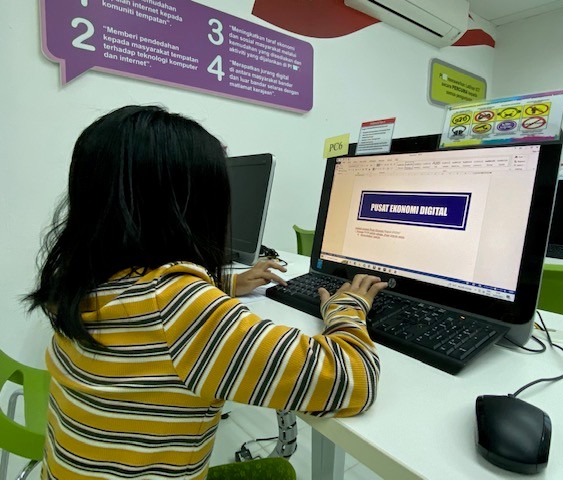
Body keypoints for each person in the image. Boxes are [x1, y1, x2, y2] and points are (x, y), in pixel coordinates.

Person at [26, 105, 387, 479]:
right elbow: (354, 380)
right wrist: (349, 305)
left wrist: (227, 285)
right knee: (280, 473)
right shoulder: (181, 309)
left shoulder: (79, 278)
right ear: (189, 206)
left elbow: (152, 313)